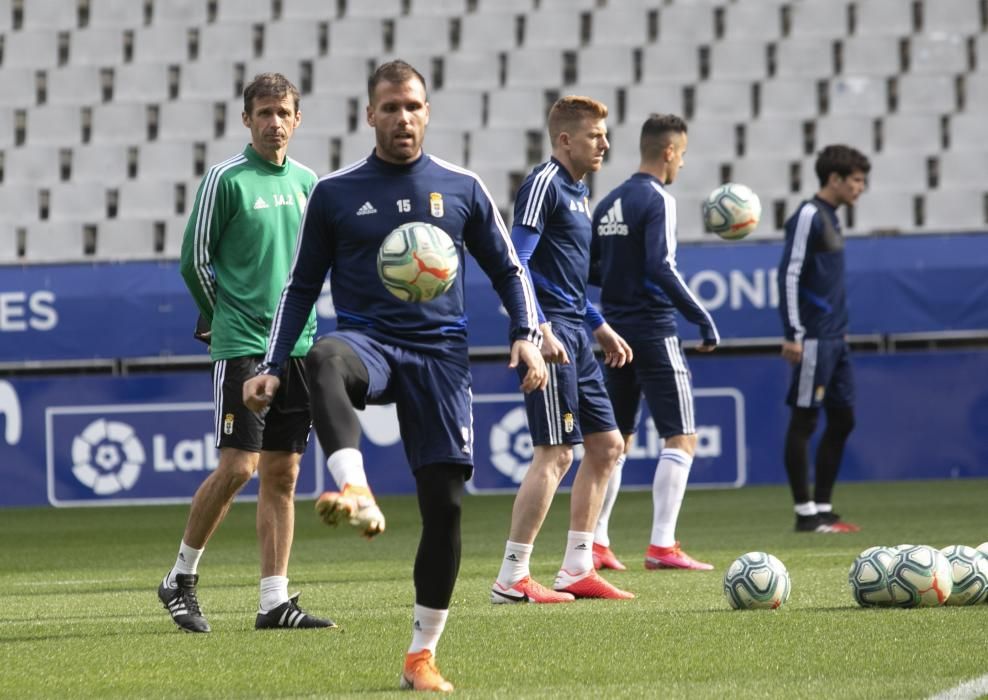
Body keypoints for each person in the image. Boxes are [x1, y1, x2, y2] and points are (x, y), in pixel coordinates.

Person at [242, 60, 546, 693]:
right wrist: (271, 365)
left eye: (412, 106)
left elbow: (509, 268)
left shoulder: (461, 187)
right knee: (323, 356)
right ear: (369, 115)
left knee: (446, 508)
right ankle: (353, 487)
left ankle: (419, 657)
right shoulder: (336, 192)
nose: (402, 117)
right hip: (370, 343)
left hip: (440, 356)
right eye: (389, 107)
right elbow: (301, 285)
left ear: (427, 112)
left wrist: (527, 331)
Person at [159, 73, 333, 633]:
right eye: (263, 112)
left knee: (283, 475)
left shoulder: (311, 182)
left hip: (297, 346)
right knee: (238, 466)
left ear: (297, 119)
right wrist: (221, 316)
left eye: (283, 112)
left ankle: (273, 601)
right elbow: (196, 261)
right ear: (246, 119)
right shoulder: (226, 180)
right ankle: (180, 578)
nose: (273, 122)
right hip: (241, 345)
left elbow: (315, 267)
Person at [490, 95, 635, 606]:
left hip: (577, 332)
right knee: (555, 452)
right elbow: (515, 262)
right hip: (548, 338)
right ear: (565, 139)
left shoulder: (580, 191)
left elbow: (567, 278)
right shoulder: (543, 184)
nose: (605, 144)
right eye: (596, 136)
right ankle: (512, 576)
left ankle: (577, 567)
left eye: (606, 135)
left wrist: (599, 325)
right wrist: (538, 327)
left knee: (608, 446)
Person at [589, 113, 719, 572]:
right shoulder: (658, 200)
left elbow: (590, 272)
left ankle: (599, 542)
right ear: (668, 152)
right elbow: (662, 266)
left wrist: (622, 282)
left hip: (615, 334)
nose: (681, 165)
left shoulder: (607, 203)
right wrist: (701, 317)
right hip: (655, 330)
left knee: (616, 442)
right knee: (680, 438)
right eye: (681, 155)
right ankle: (662, 544)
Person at [778, 144, 870, 533]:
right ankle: (805, 514)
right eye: (856, 180)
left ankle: (824, 508)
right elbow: (789, 275)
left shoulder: (833, 217)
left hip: (836, 339)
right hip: (813, 338)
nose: (861, 188)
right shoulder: (809, 215)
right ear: (834, 179)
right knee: (805, 421)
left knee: (844, 418)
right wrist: (794, 334)